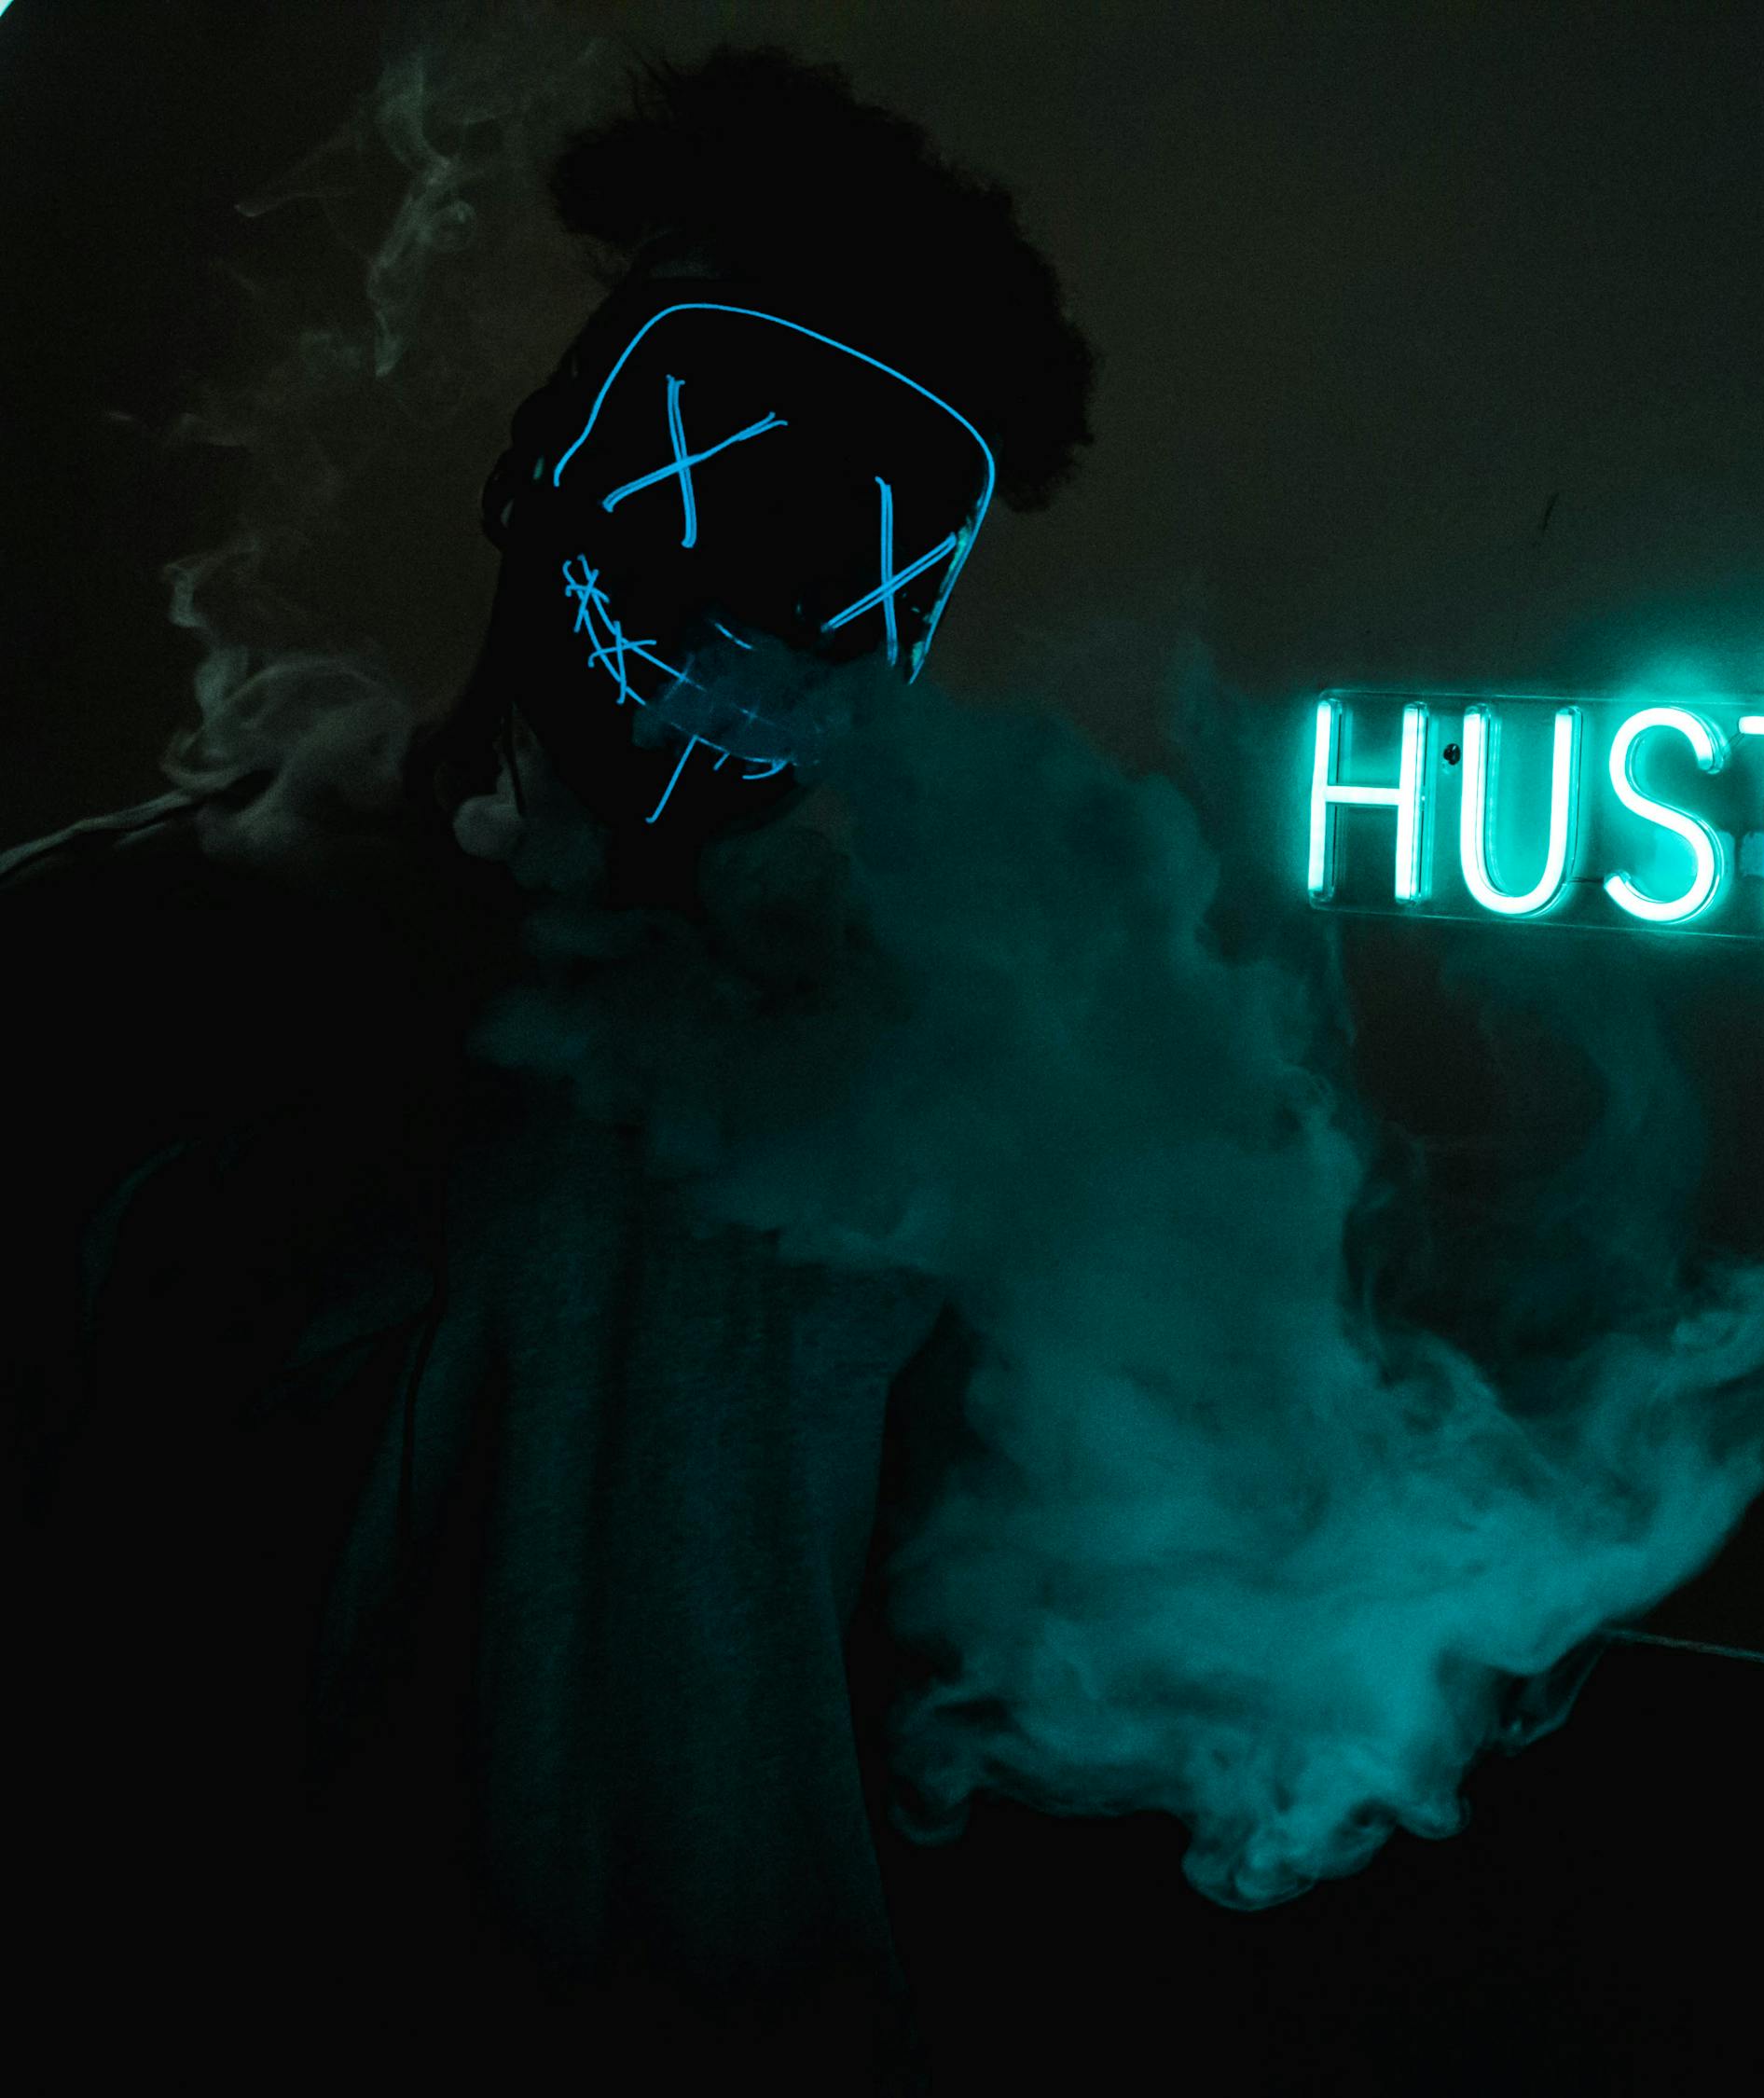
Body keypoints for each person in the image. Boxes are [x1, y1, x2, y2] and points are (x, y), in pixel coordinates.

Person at [0, 47, 1093, 2087]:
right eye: (736, 460)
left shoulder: (949, 1087)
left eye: (879, 535)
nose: (782, 587)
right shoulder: (98, 960)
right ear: (538, 460)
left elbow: (999, 1725)